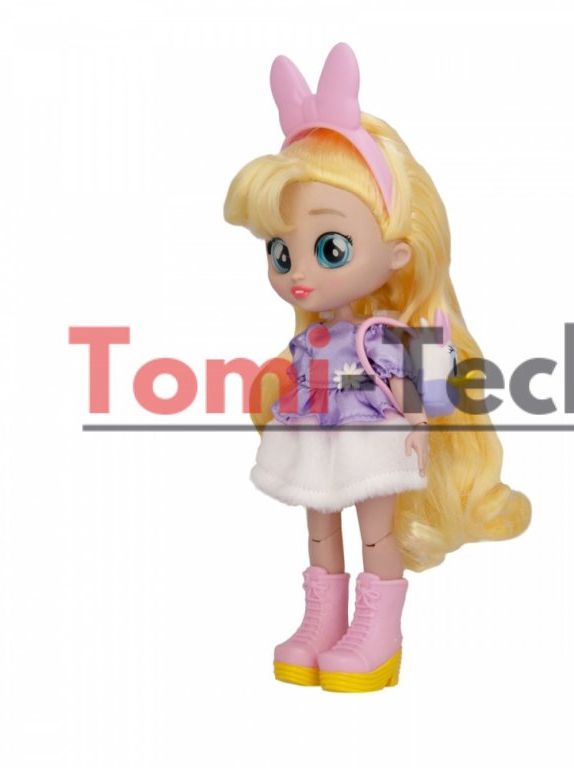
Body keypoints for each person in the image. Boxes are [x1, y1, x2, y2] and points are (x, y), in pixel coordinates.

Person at [223, 43, 531, 693]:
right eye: (280, 252)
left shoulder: (386, 334)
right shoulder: (313, 338)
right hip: (314, 435)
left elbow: (428, 385)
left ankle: (377, 634)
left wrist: (416, 422)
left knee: (374, 534)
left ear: (398, 253)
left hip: (371, 437)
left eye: (330, 248)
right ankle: (320, 622)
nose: (297, 273)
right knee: (318, 531)